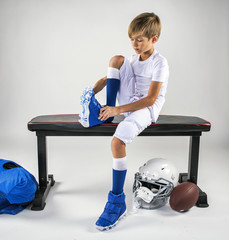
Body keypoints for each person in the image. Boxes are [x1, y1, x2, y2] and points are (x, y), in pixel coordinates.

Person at [79, 12, 169, 231]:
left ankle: (117, 201)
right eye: (132, 39)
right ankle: (104, 112)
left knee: (117, 142)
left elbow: (150, 99)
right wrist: (92, 91)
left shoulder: (160, 63)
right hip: (129, 101)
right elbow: (108, 77)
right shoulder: (132, 59)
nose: (134, 44)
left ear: (153, 39)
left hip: (146, 108)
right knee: (116, 60)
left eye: (140, 39)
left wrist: (118, 109)